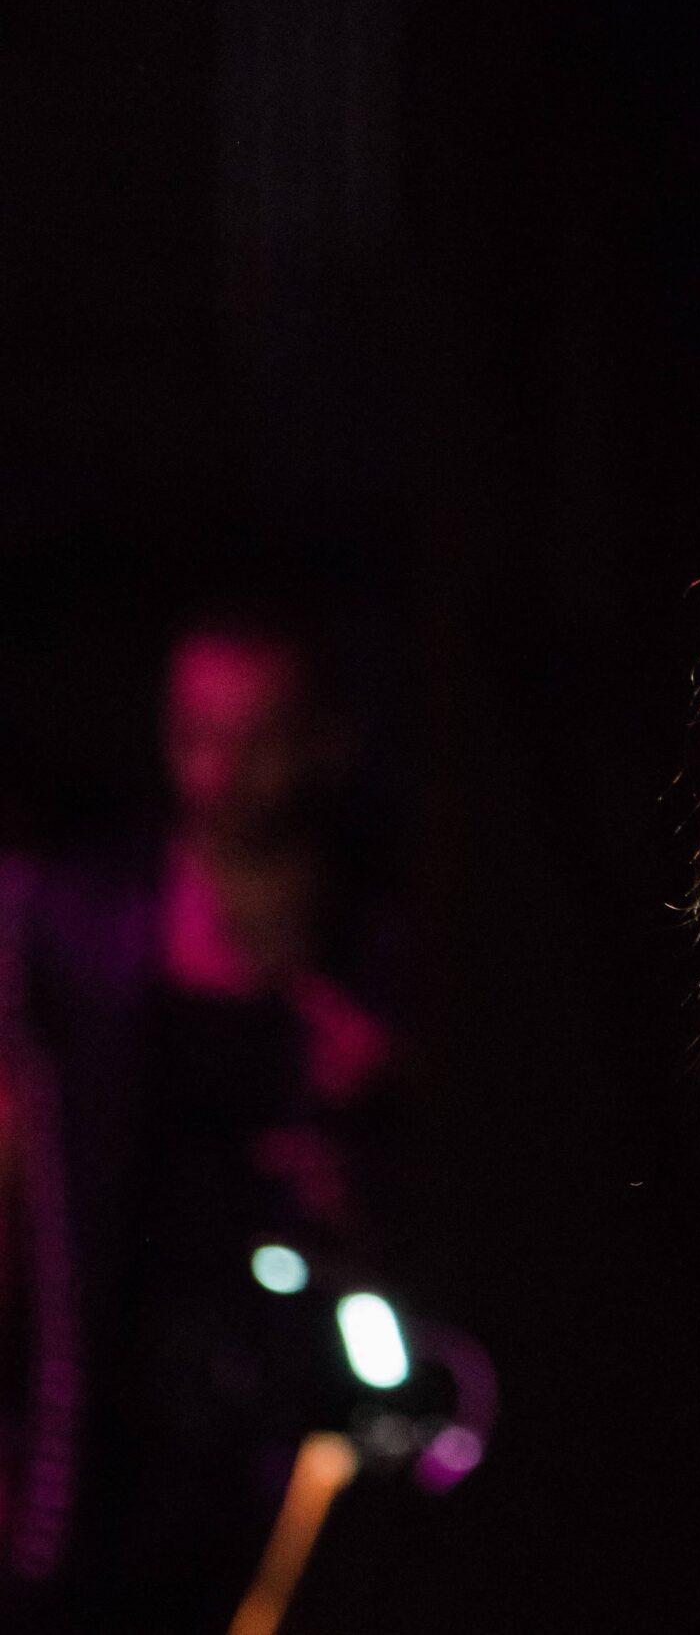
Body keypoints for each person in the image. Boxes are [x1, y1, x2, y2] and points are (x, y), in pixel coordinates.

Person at [0, 599, 404, 1632]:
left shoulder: (377, 945)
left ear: (323, 741)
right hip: (98, 1380)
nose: (223, 772)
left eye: (257, 737)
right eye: (197, 735)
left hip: (286, 1398)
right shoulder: (73, 917)